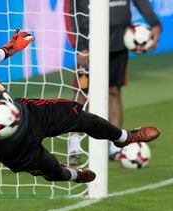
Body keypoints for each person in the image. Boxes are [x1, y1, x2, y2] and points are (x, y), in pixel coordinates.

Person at [0, 28, 160, 183]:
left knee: (79, 115)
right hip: (15, 150)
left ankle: (123, 137)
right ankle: (74, 174)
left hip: (30, 115)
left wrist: (11, 47)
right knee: (53, 171)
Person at [66, 0, 162, 164]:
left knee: (114, 91)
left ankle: (115, 146)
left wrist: (155, 24)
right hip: (90, 45)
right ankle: (74, 144)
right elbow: (75, 13)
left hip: (119, 45)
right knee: (83, 93)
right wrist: (81, 46)